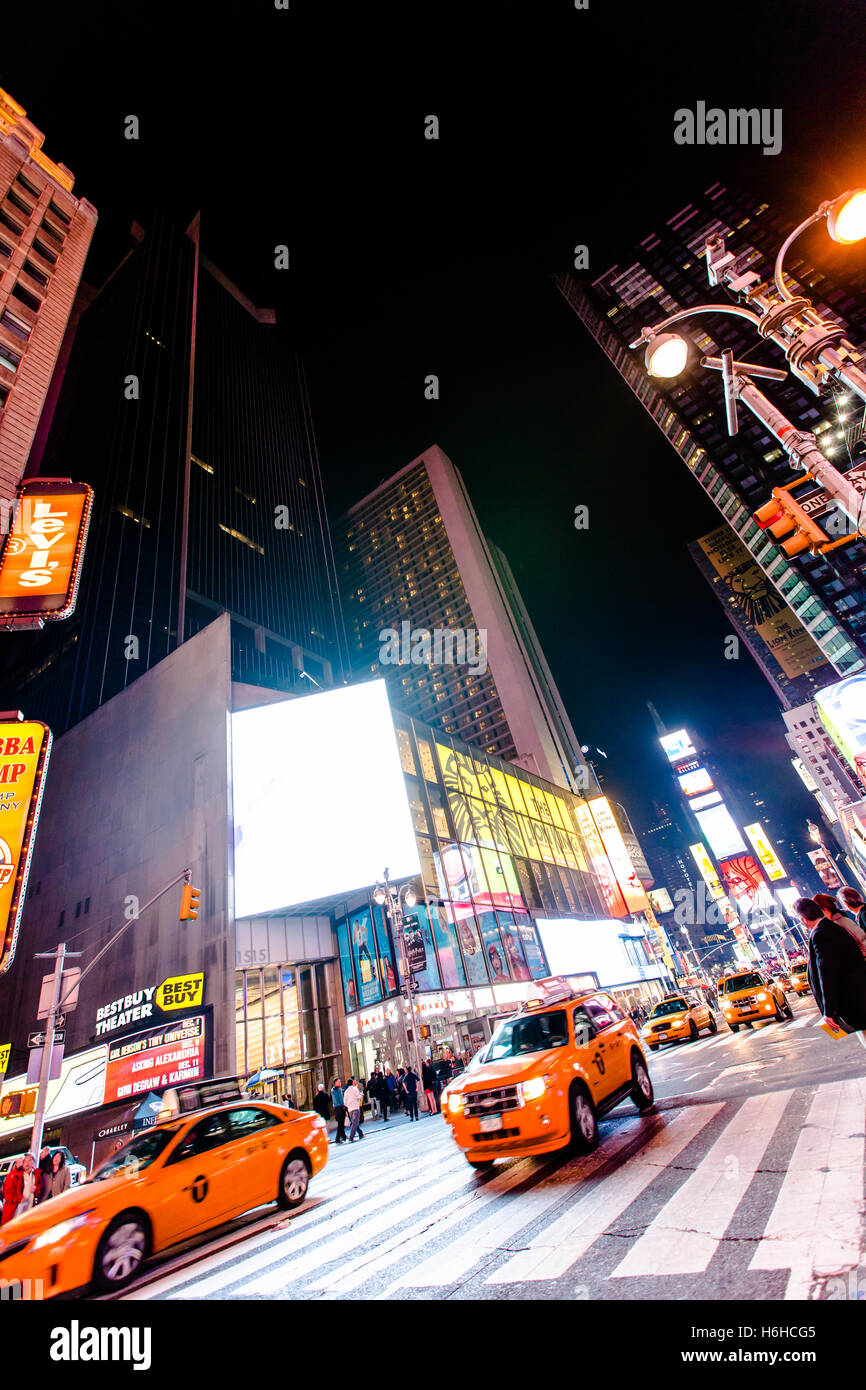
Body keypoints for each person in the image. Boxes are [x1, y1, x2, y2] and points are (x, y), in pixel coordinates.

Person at [795, 897, 866, 1047]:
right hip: (858, 994)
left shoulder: (820, 934)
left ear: (803, 920)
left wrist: (829, 1011)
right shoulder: (832, 927)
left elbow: (826, 974)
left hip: (853, 999)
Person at [813, 892, 866, 963]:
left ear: (825, 909)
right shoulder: (841, 919)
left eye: (819, 912)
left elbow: (859, 945)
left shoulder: (837, 924)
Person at [1, 1157, 24, 1226]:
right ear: (16, 1164)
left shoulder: (24, 1174)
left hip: (17, 1205)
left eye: (23, 1162)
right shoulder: (12, 1175)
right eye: (20, 1162)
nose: (22, 1164)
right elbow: (8, 1192)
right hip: (12, 1205)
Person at [344, 1077, 365, 1141]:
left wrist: (348, 1106)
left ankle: (360, 1134)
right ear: (352, 1083)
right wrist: (362, 1093)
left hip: (350, 1109)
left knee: (354, 1122)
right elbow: (359, 1096)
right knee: (355, 1123)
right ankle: (351, 1137)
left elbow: (345, 1102)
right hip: (355, 1107)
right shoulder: (355, 1089)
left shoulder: (346, 1092)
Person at [331, 1078, 348, 1144]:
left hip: (336, 1108)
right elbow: (341, 1099)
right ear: (335, 1083)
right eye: (338, 1082)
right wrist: (344, 1106)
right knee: (341, 1124)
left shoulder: (332, 1090)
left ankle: (343, 1136)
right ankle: (337, 1138)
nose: (340, 1083)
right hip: (340, 1108)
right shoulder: (339, 1090)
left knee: (340, 1123)